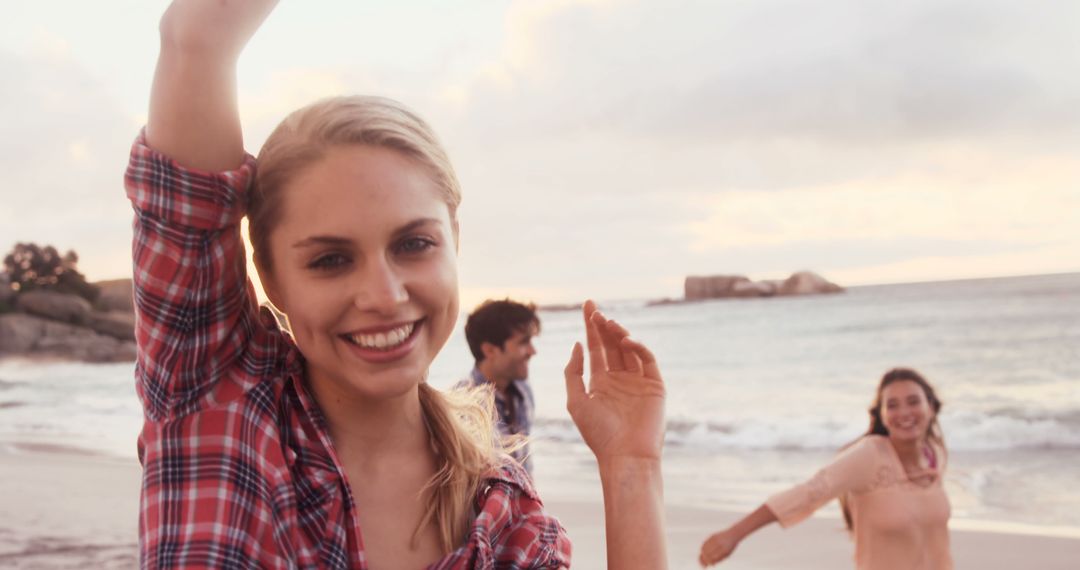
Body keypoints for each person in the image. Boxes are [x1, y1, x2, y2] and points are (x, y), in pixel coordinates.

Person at [127, 1, 667, 568]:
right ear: (270, 277)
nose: (384, 295)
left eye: (412, 244)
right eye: (331, 260)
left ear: (454, 240)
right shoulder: (215, 386)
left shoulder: (502, 517)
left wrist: (632, 466)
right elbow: (195, 40)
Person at [698, 368, 951, 569]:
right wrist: (734, 534)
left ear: (931, 406)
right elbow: (809, 493)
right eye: (892, 405)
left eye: (913, 401)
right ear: (882, 415)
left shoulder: (934, 454)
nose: (904, 412)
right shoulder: (870, 455)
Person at [459, 299, 539, 473]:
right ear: (490, 350)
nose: (533, 351)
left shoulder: (522, 389)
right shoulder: (464, 406)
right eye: (524, 342)